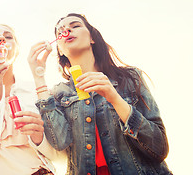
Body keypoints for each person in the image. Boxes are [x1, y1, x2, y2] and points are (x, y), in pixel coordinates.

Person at [28, 13, 173, 174]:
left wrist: (115, 98)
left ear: (92, 39)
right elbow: (59, 142)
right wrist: (38, 76)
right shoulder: (59, 94)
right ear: (60, 50)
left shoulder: (131, 77)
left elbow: (159, 148)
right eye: (60, 31)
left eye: (75, 25)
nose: (66, 30)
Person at [0, 24, 66, 175]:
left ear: (16, 50)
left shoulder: (38, 91)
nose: (2, 38)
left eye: (8, 37)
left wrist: (38, 137)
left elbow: (62, 156)